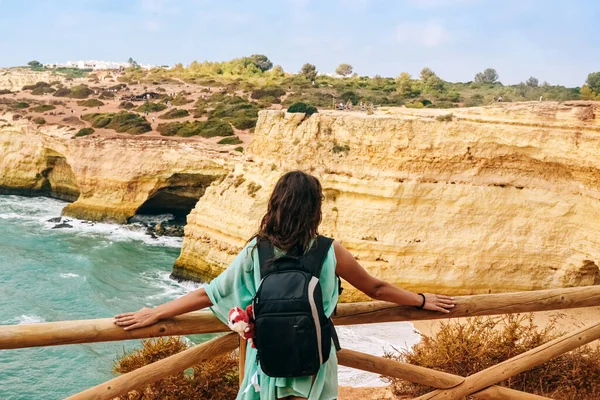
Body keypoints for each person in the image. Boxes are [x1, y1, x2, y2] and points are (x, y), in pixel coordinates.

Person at [114, 171, 455, 400]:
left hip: (270, 360)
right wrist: (422, 300)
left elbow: (210, 293)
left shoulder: (257, 249)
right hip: (316, 359)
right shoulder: (329, 250)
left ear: (275, 204)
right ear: (315, 209)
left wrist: (155, 312)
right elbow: (377, 289)